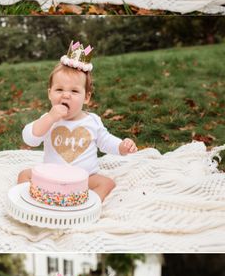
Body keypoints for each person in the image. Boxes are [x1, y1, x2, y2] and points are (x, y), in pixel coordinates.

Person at [18, 41, 137, 202]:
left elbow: (106, 141)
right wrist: (51, 118)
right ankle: (29, 199)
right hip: (51, 177)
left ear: (86, 97)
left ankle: (89, 205)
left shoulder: (92, 121)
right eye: (59, 90)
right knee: (24, 174)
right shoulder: (48, 119)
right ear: (50, 94)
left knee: (107, 183)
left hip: (83, 179)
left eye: (74, 91)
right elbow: (29, 139)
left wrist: (122, 147)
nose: (65, 95)